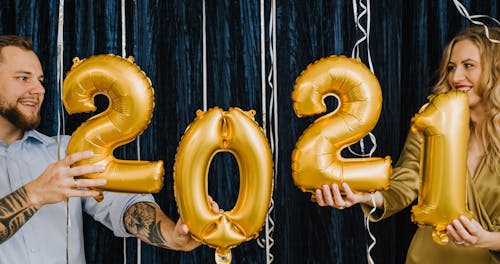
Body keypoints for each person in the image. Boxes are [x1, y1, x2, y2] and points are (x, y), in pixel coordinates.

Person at [0, 35, 219, 263]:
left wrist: (172, 236)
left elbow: (123, 205)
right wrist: (34, 194)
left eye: (40, 80)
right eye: (23, 78)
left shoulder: (66, 151)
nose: (39, 90)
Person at [315, 26, 500, 263]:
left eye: (468, 65)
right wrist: (364, 196)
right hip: (426, 257)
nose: (455, 77)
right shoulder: (434, 121)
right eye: (451, 67)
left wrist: (484, 238)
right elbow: (406, 181)